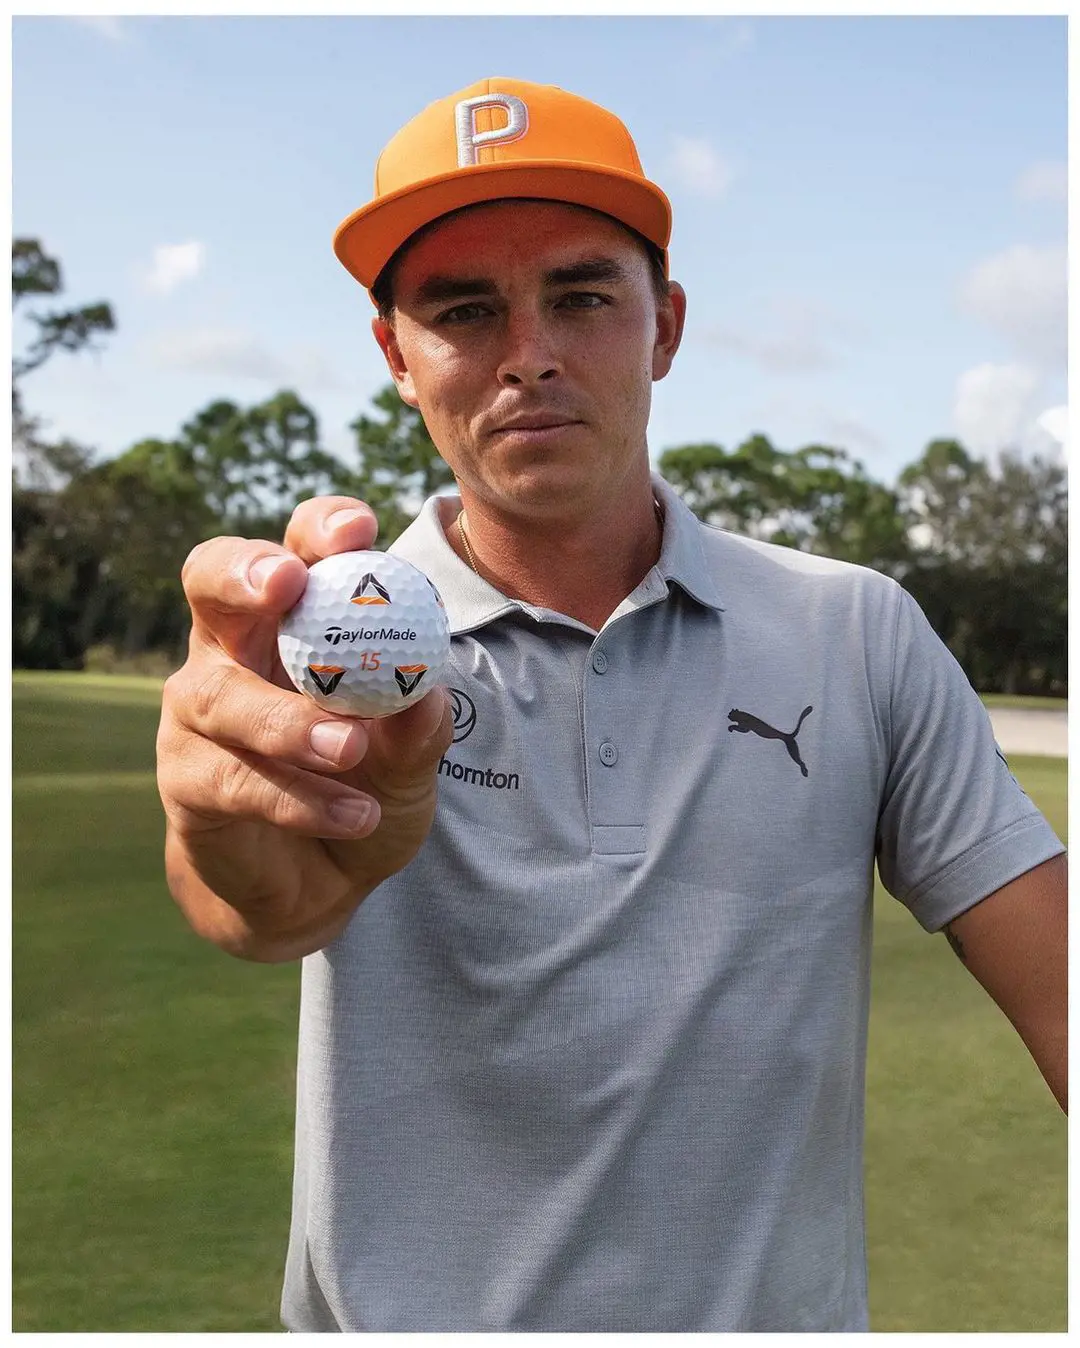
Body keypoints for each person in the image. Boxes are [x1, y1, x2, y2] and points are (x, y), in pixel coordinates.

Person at [155, 77, 1067, 1332]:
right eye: (463, 310)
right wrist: (230, 860)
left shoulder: (852, 629)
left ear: (666, 325)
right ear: (396, 360)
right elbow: (241, 894)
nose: (528, 352)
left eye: (581, 295)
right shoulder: (309, 650)